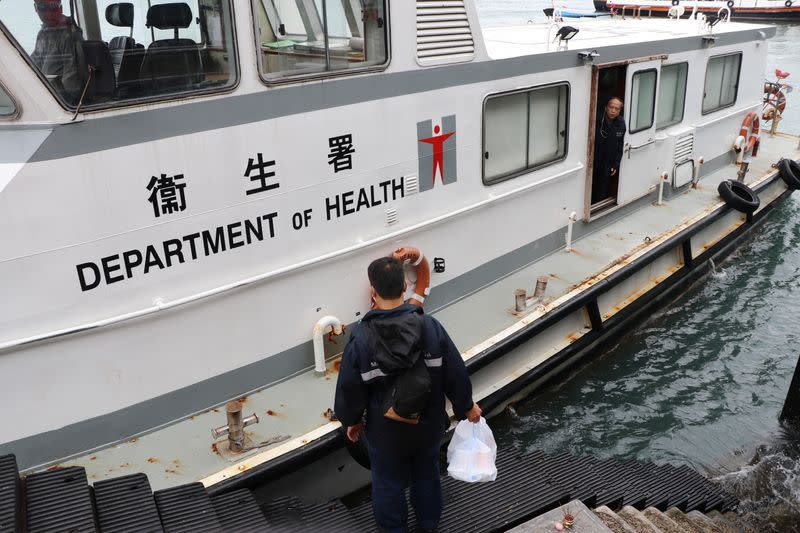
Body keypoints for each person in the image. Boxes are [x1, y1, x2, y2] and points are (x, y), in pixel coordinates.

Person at [334, 256, 481, 533]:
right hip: (428, 423)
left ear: (373, 293)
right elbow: (455, 372)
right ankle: (428, 525)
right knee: (426, 474)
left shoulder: (362, 339)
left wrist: (351, 421)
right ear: (404, 286)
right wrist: (466, 407)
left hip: (385, 430)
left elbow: (350, 388)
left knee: (387, 483)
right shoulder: (430, 327)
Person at [30, 0, 85, 103]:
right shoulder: (43, 33)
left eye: (53, 6)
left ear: (60, 8)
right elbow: (32, 65)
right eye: (42, 7)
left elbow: (72, 84)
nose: (48, 13)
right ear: (36, 8)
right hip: (44, 94)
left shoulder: (70, 35)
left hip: (61, 101)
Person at [592, 96, 626, 204]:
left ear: (620, 110)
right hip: (594, 160)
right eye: (611, 107)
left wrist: (615, 164)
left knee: (603, 189)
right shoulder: (597, 119)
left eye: (617, 108)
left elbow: (620, 145)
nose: (613, 110)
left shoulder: (621, 123)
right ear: (606, 107)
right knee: (591, 186)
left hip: (608, 163)